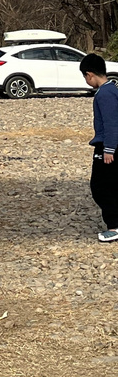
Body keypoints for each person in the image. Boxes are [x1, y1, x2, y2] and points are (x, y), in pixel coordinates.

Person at [80, 53, 118, 242]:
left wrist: (109, 149)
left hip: (107, 146)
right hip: (110, 144)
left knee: (100, 187)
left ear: (90, 75)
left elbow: (112, 123)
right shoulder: (113, 89)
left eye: (85, 78)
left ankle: (114, 226)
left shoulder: (105, 94)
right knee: (112, 185)